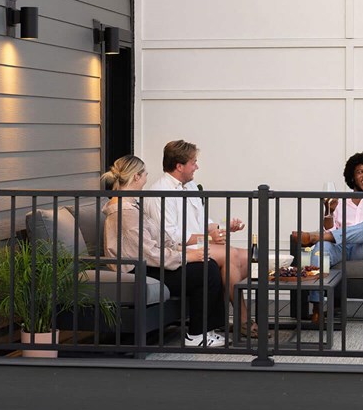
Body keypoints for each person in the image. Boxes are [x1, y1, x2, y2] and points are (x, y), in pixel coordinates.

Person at [101, 155, 227, 348]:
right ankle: (196, 335)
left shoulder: (132, 206)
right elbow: (148, 253)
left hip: (149, 264)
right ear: (136, 177)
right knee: (205, 271)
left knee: (206, 265)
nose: (146, 179)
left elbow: (158, 241)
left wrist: (183, 250)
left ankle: (205, 330)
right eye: (144, 175)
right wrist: (186, 257)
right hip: (138, 269)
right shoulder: (124, 212)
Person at [145, 140, 253, 333]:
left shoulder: (191, 186)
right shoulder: (159, 193)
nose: (197, 166)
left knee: (247, 257)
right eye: (193, 162)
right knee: (230, 256)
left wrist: (222, 228)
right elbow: (172, 236)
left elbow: (203, 219)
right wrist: (209, 238)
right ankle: (243, 319)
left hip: (199, 243)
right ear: (179, 166)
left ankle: (228, 318)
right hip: (178, 250)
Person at [292, 152, 363, 323]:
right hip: (343, 248)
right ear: (352, 176)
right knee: (321, 248)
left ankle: (317, 236)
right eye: (360, 172)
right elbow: (332, 229)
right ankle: (317, 307)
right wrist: (329, 211)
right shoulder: (340, 201)